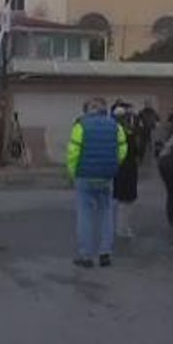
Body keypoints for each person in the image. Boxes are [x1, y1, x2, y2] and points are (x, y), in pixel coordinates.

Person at [67, 98, 127, 268]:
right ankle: (105, 253)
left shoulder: (80, 126)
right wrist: (114, 166)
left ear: (87, 110)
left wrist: (72, 173)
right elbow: (122, 149)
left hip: (84, 176)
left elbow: (73, 153)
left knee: (85, 215)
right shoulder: (116, 127)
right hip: (106, 176)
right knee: (106, 214)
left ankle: (86, 255)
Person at [112, 104, 140, 238]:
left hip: (117, 167)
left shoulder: (112, 130)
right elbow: (135, 150)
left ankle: (118, 226)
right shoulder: (128, 132)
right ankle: (123, 228)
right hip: (128, 167)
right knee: (127, 200)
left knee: (118, 199)